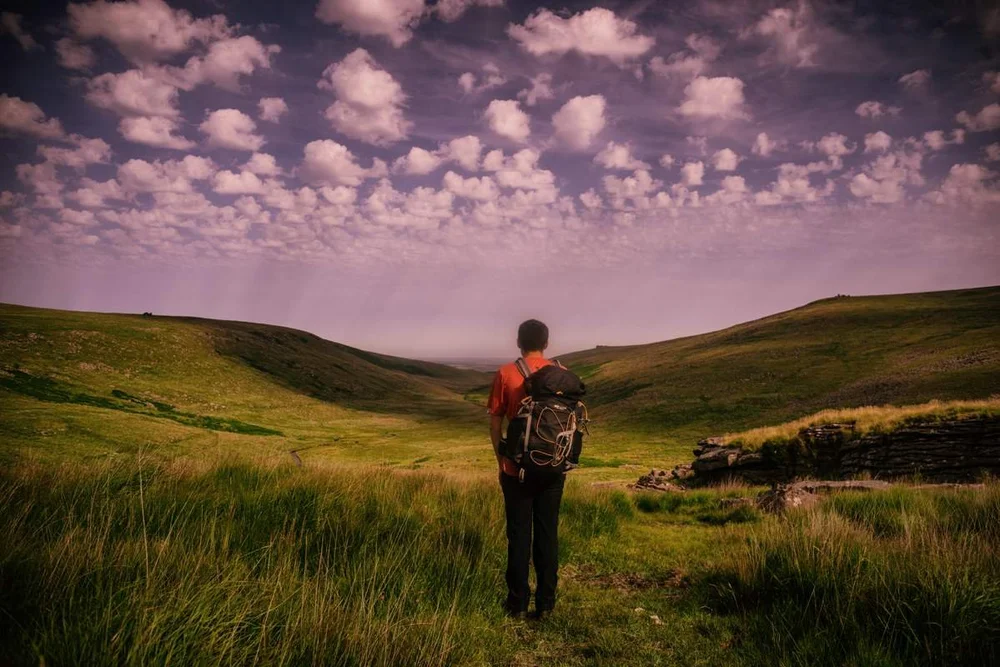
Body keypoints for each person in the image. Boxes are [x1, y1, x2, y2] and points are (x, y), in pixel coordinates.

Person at [486, 319, 564, 620]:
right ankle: (546, 604)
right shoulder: (563, 374)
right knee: (548, 534)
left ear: (519, 342)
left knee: (518, 535)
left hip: (515, 468)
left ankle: (517, 604)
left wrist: (500, 461)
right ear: (546, 343)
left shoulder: (506, 373)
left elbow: (495, 422)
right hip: (553, 468)